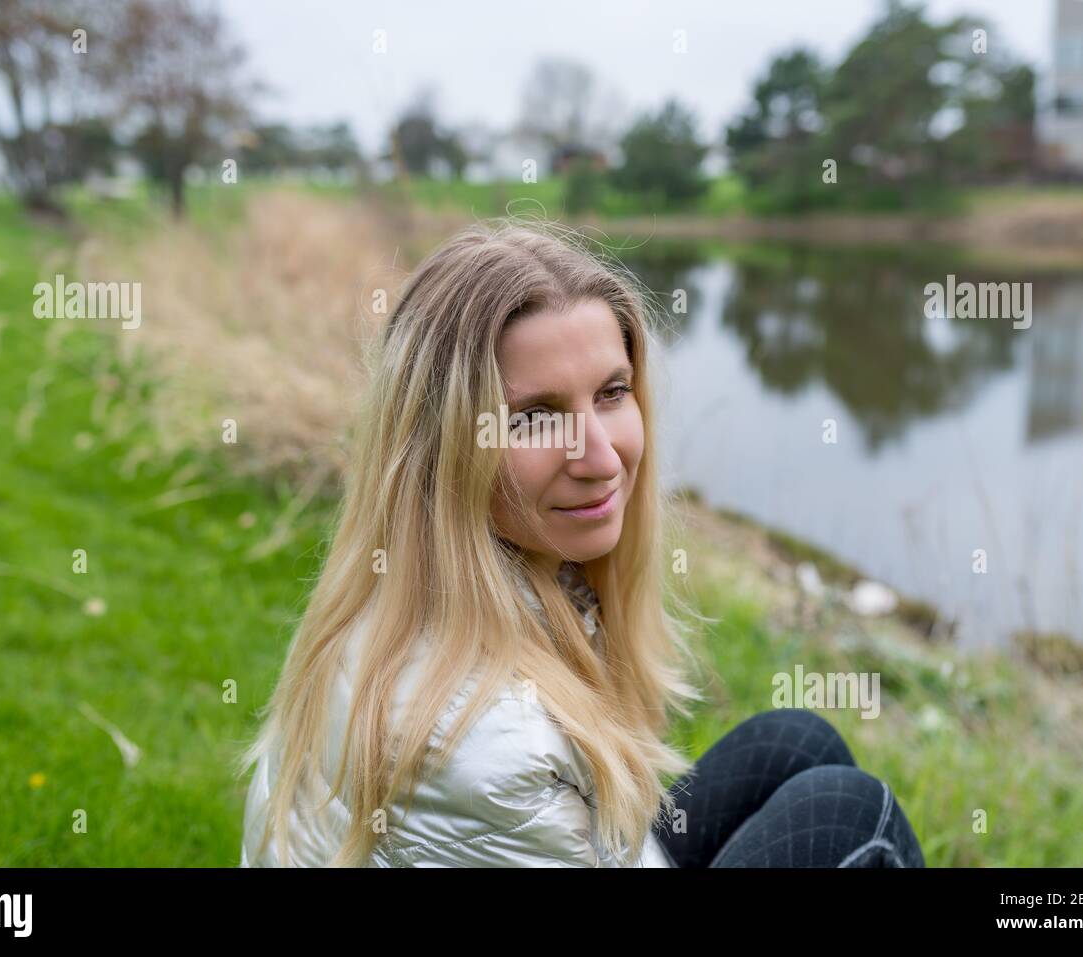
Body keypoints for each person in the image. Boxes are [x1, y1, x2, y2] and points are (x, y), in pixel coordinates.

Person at [238, 218, 925, 868]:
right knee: (850, 816)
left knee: (796, 743)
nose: (599, 456)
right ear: (440, 448)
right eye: (536, 416)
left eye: (611, 392)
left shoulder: (445, 587)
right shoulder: (489, 743)